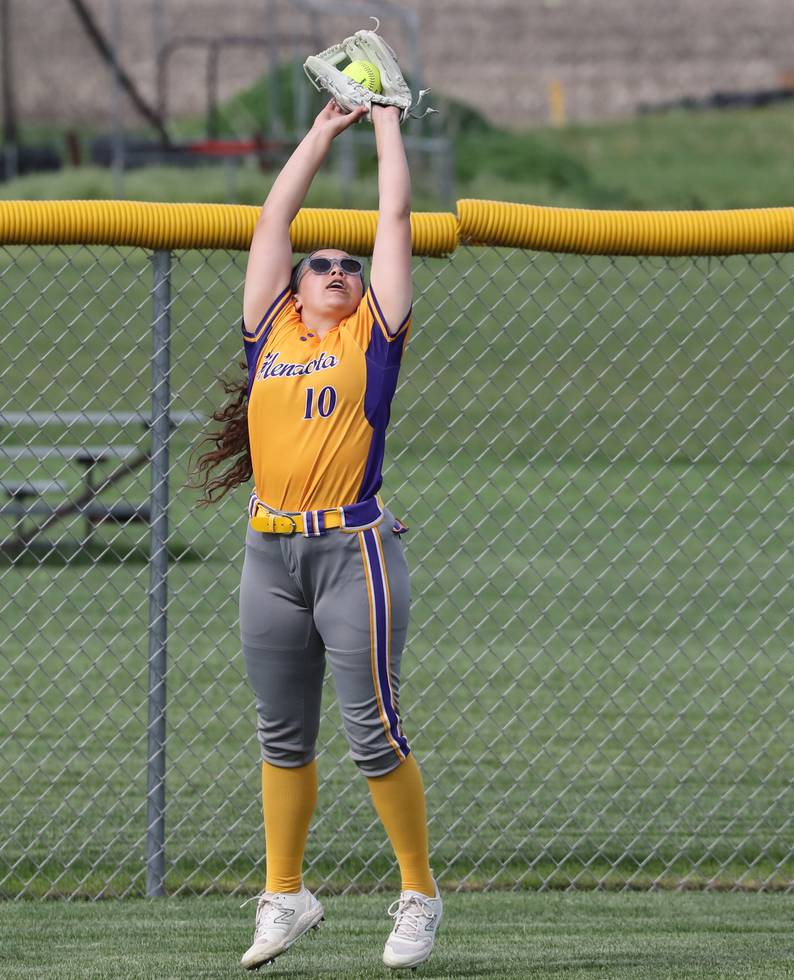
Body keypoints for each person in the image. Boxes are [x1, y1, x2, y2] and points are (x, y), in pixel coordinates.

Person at [191, 98, 442, 972]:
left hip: (353, 553)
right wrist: (324, 128)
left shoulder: (373, 337)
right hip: (269, 554)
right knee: (281, 734)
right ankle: (285, 894)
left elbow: (394, 216)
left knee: (373, 733)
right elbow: (272, 220)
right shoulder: (272, 334)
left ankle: (419, 893)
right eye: (320, 265)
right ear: (294, 289)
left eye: (349, 266)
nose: (337, 270)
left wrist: (386, 120)